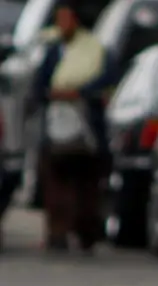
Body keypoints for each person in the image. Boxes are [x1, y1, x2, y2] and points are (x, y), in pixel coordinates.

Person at [34, 0, 112, 253]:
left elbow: (106, 80)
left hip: (88, 131)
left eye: (65, 19)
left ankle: (85, 233)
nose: (61, 25)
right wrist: (53, 94)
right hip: (56, 131)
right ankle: (58, 233)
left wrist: (79, 93)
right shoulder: (52, 50)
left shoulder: (95, 49)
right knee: (56, 184)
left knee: (87, 186)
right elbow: (40, 85)